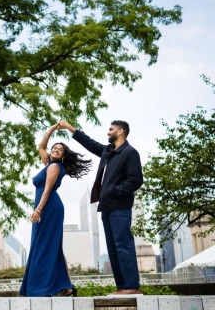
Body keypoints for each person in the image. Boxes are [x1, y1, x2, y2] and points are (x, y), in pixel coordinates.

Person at [55, 120, 144, 295]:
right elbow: (90, 143)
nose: (108, 132)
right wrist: (69, 128)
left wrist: (114, 191)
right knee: (112, 248)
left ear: (120, 131)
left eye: (111, 129)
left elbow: (136, 180)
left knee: (123, 245)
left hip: (120, 206)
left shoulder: (130, 152)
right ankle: (122, 287)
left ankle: (133, 286)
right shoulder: (108, 151)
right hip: (106, 207)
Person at [20, 124, 91, 297]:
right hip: (48, 206)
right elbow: (41, 147)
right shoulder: (49, 164)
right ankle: (65, 287)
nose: (56, 150)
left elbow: (47, 190)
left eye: (60, 150)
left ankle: (41, 287)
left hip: (48, 207)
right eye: (55, 148)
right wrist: (51, 129)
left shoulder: (54, 167)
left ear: (63, 156)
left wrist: (38, 210)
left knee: (43, 245)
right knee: (52, 247)